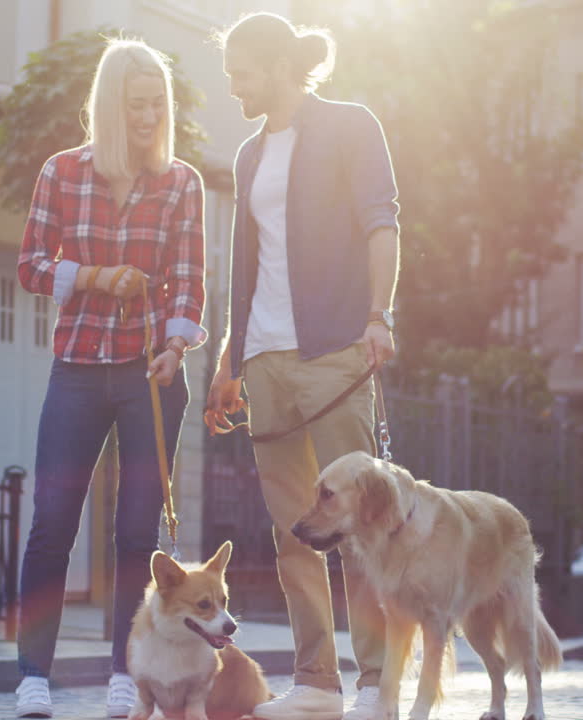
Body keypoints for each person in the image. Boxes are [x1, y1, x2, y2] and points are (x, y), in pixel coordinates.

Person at [206, 13, 400, 720]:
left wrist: (380, 316)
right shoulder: (250, 156)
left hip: (336, 352)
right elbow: (246, 265)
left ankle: (377, 679)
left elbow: (384, 222)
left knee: (358, 527)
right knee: (296, 534)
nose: (234, 88)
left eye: (241, 74)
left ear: (279, 66)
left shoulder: (351, 126)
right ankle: (318, 680)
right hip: (266, 360)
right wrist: (231, 359)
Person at [13, 39, 207, 720]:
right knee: (52, 524)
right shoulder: (62, 173)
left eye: (158, 104)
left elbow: (189, 278)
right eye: (137, 106)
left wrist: (176, 348)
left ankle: (126, 675)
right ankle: (33, 674)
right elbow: (32, 266)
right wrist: (94, 277)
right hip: (77, 369)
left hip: (149, 374)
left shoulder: (182, 182)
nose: (150, 116)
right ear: (109, 107)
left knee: (135, 534)